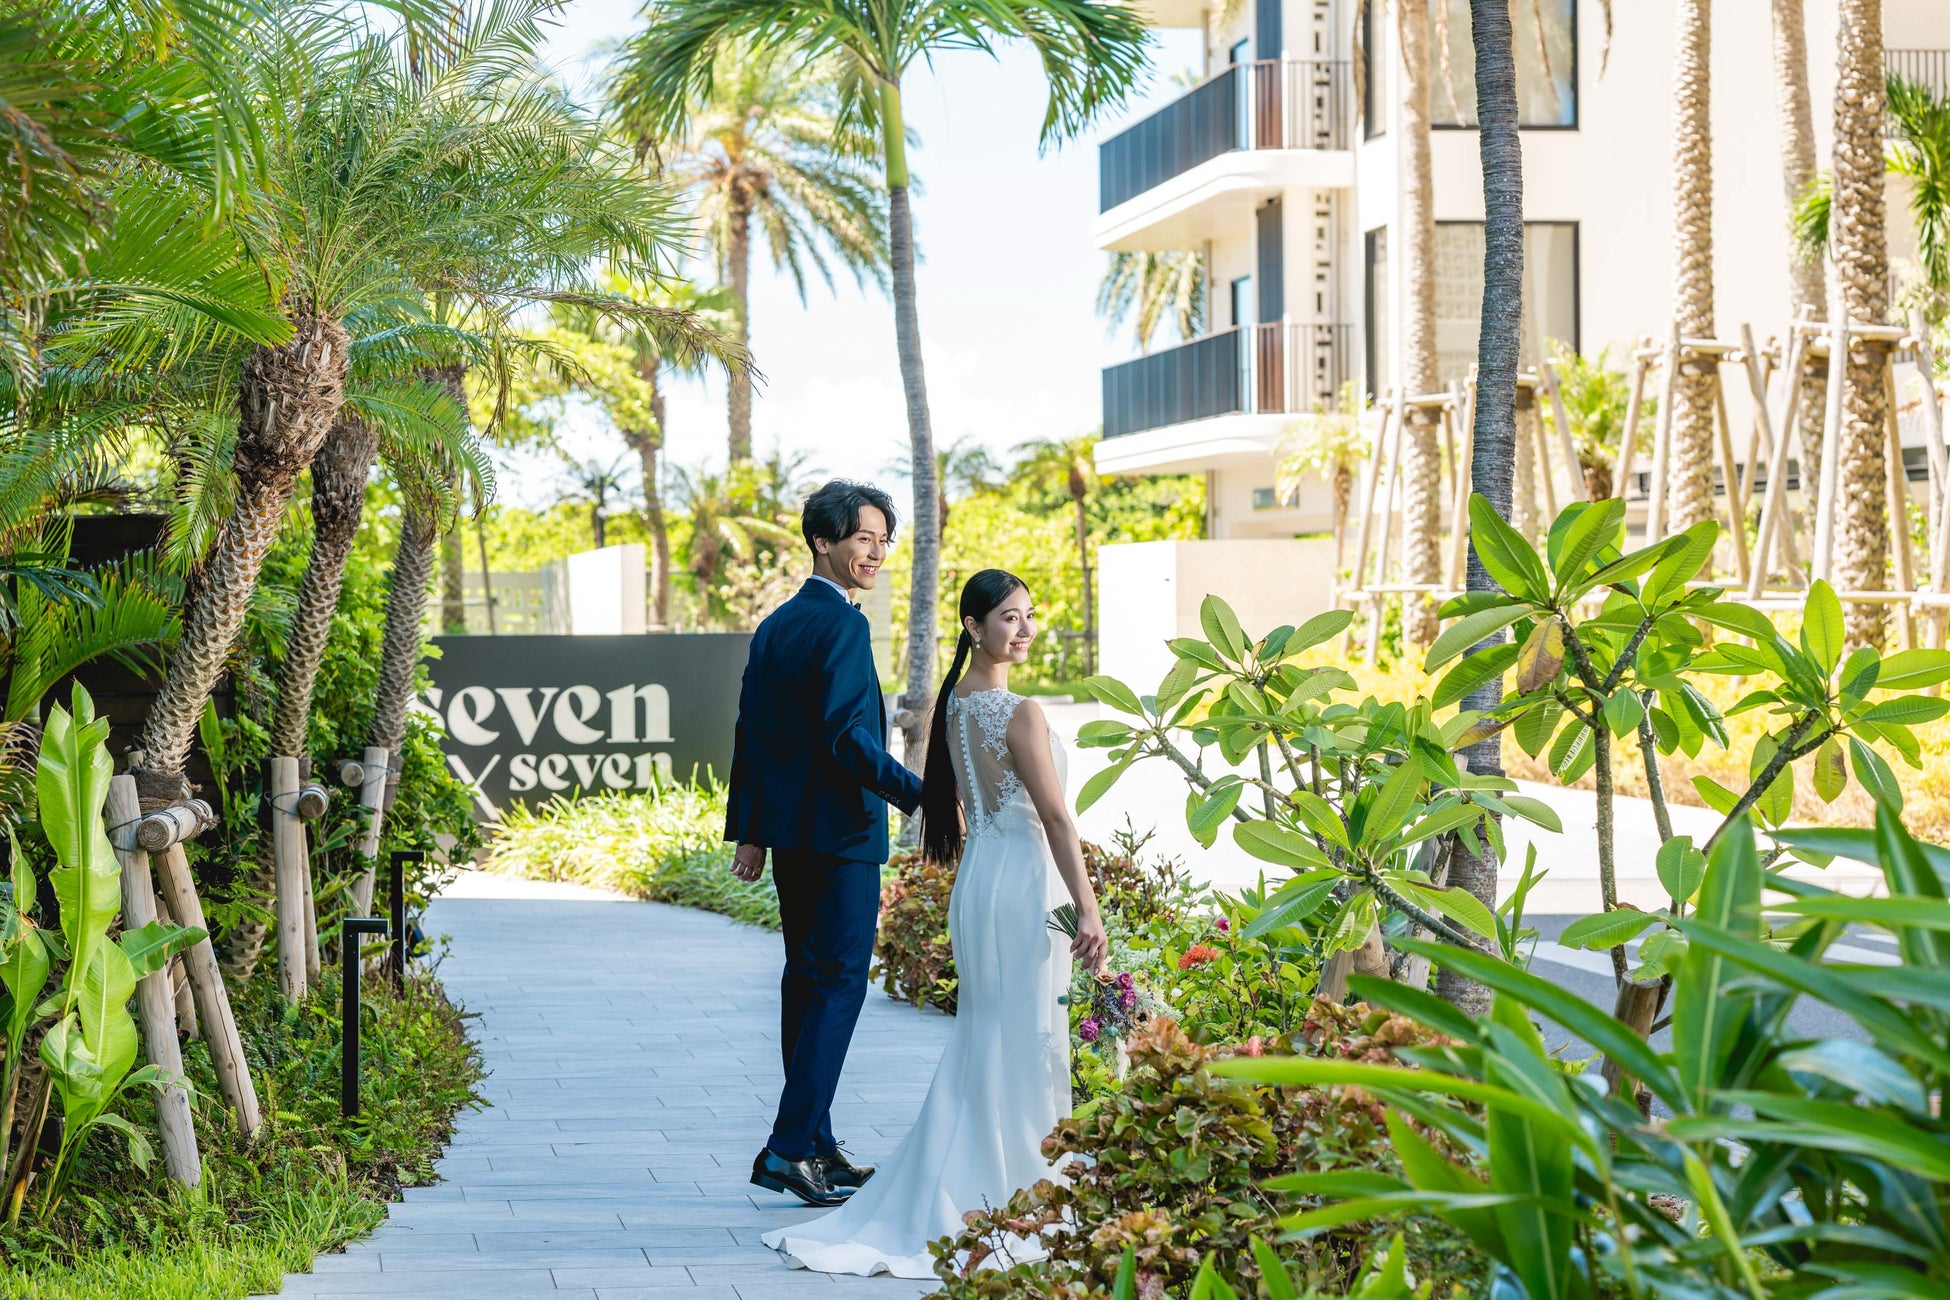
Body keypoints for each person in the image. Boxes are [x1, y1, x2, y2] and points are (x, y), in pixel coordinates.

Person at [759, 568, 1110, 1278]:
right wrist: (1089, 906)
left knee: (989, 1039)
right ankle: (1020, 1189)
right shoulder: (1019, 712)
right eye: (1009, 617)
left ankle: (989, 1184)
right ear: (973, 627)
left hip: (981, 883)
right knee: (1027, 1039)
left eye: (1029, 615)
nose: (1025, 629)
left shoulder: (955, 704)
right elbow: (1055, 819)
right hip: (1024, 886)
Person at [726, 480, 924, 1209]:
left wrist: (753, 832)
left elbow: (753, 733)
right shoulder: (841, 625)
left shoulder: (776, 624)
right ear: (824, 541)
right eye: (863, 538)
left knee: (806, 984)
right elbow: (847, 738)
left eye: (883, 540)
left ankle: (816, 1144)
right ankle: (787, 1148)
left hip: (793, 840)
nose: (875, 552)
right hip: (841, 837)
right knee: (839, 986)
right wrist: (921, 794)